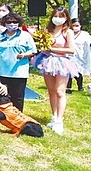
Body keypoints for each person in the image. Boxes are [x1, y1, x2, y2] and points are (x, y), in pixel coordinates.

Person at [32, 7, 82, 135]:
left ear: (66, 18)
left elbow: (71, 50)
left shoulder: (68, 32)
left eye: (61, 16)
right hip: (47, 61)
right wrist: (44, 49)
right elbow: (42, 46)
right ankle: (54, 116)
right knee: (51, 90)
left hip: (62, 63)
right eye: (56, 16)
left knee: (60, 91)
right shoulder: (47, 30)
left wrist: (53, 50)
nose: (57, 19)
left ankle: (60, 120)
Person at [0, 12, 37, 112]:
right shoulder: (0, 36)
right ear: (5, 23)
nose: (12, 24)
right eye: (9, 22)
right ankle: (4, 117)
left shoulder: (25, 36)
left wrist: (24, 55)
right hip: (3, 71)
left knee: (18, 98)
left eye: (15, 22)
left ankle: (18, 118)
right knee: (3, 96)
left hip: (19, 73)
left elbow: (33, 51)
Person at [67, 18, 91, 93]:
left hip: (80, 56)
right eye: (73, 25)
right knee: (68, 72)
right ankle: (68, 88)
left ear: (80, 26)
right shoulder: (68, 33)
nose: (75, 27)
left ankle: (80, 86)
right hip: (69, 55)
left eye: (77, 25)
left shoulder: (85, 35)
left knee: (78, 73)